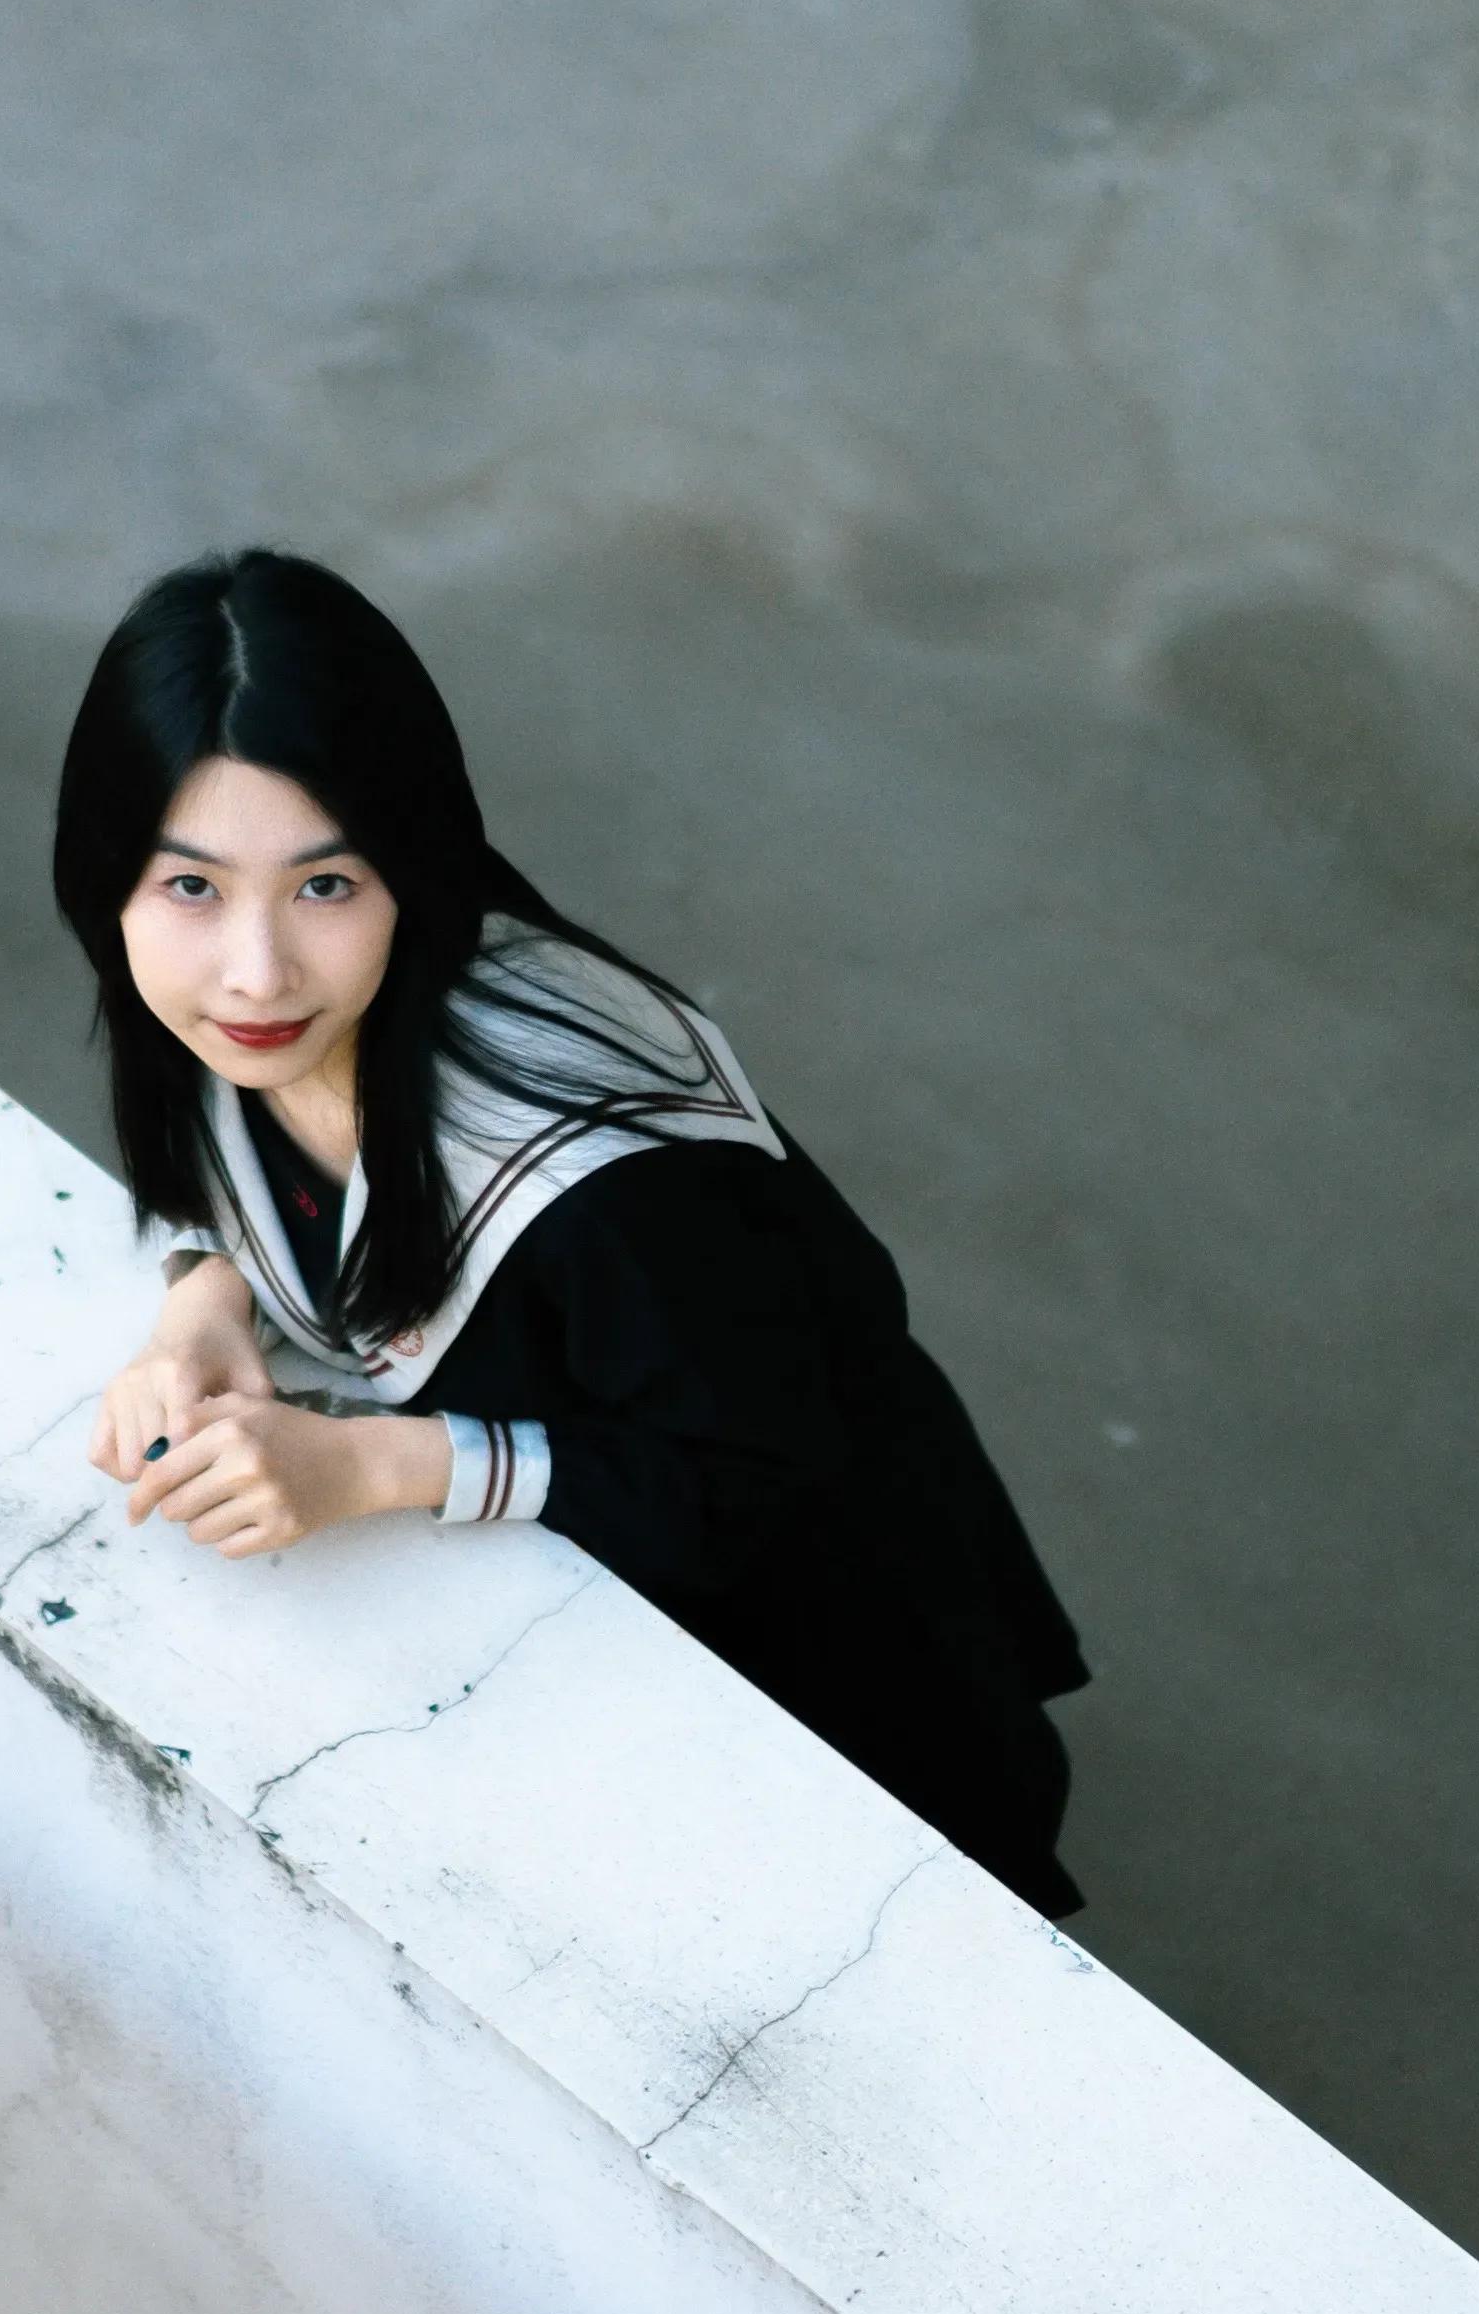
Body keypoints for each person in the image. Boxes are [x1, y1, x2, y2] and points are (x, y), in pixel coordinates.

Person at [54, 549, 1090, 1917]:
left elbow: (760, 1472)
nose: (255, 971)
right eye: (192, 887)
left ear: (414, 865)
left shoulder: (603, 1169)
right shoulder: (240, 1026)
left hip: (805, 1639)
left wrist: (373, 1463)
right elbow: (237, 1184)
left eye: (326, 885)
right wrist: (205, 1299)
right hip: (579, 1632)